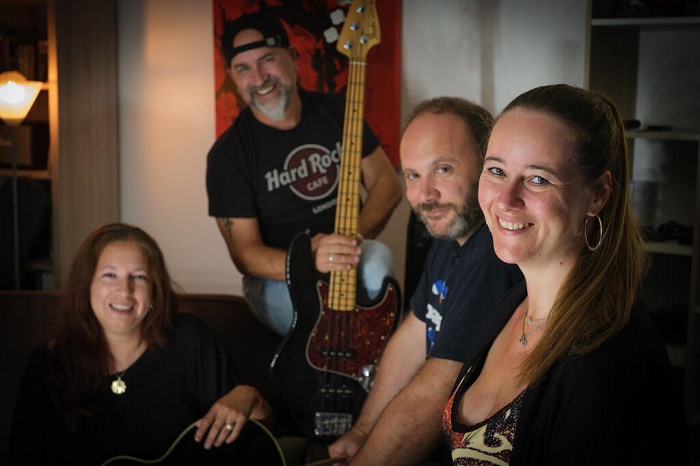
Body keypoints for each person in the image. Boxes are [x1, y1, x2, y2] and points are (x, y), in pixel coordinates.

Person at [443, 84, 686, 464]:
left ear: (597, 195)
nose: (505, 200)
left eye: (538, 179)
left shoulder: (608, 361)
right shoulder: (515, 304)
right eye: (496, 170)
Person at [328, 97, 523, 465]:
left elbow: (434, 394)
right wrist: (362, 432)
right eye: (413, 176)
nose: (424, 195)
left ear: (487, 164)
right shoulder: (450, 236)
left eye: (443, 170)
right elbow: (413, 334)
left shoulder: (489, 259)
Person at [206, 11, 402, 336]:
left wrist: (349, 240)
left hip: (347, 253)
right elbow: (245, 254)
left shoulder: (338, 111)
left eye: (267, 60)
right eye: (243, 69)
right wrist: (307, 259)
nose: (259, 77)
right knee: (319, 320)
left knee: (379, 258)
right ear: (233, 77)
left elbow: (387, 184)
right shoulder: (228, 154)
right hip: (277, 277)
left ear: (294, 58)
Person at [9, 223, 273, 465]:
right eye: (110, 275)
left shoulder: (191, 340)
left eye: (139, 277)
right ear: (86, 287)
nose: (125, 290)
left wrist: (249, 396)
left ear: (154, 293)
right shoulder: (48, 366)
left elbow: (263, 437)